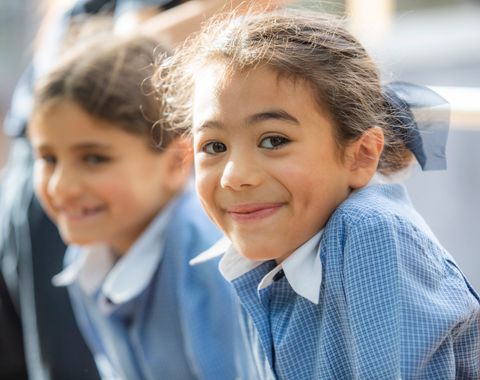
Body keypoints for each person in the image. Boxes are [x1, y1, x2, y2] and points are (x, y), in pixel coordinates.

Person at [156, 9, 480, 379]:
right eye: (214, 147)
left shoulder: (371, 231)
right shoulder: (256, 256)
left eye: (273, 140)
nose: (234, 177)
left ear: (361, 155)